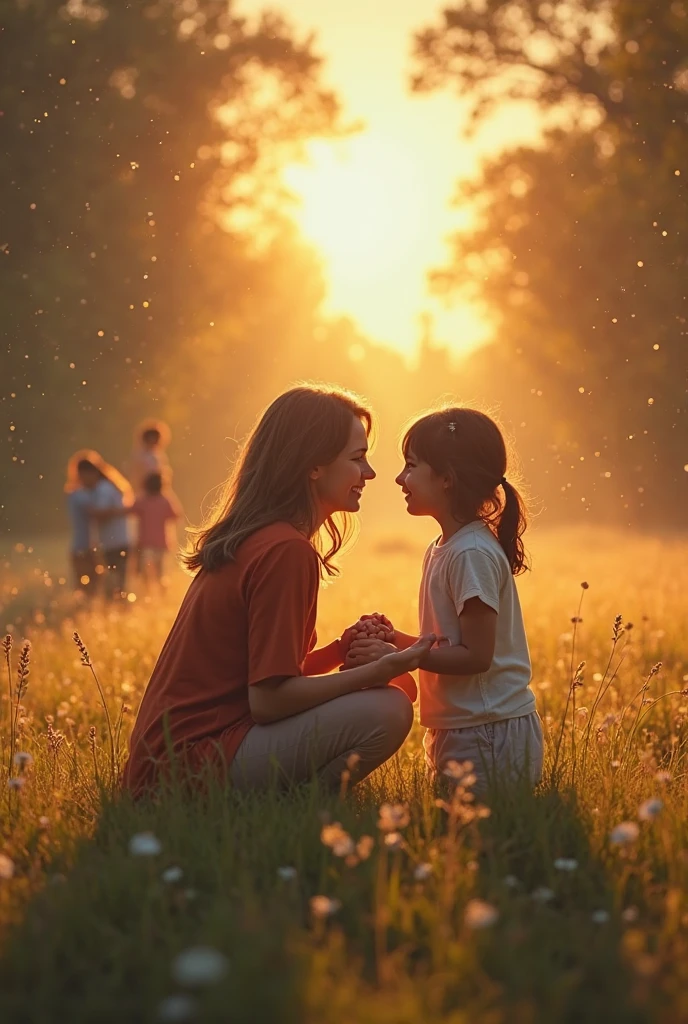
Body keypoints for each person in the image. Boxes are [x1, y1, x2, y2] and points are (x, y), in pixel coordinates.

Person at [123, 385, 437, 798]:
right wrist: (374, 672)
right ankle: (298, 807)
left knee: (388, 695)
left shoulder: (261, 539)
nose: (370, 473)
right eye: (357, 458)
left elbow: (264, 675)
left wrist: (339, 653)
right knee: (389, 708)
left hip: (165, 765)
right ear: (313, 466)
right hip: (192, 768)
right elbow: (268, 702)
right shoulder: (286, 551)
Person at [346, 407, 542, 800]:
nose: (400, 479)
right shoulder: (446, 548)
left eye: (412, 466)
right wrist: (396, 640)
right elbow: (448, 643)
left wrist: (398, 656)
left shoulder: (470, 553)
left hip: (488, 730)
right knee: (456, 838)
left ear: (448, 479)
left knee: (480, 842)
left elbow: (475, 656)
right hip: (465, 726)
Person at [64, 451, 132, 600]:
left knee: (113, 585)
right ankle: (113, 609)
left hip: (113, 543)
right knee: (113, 583)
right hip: (115, 541)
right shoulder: (99, 489)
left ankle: (115, 610)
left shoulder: (102, 489)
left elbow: (100, 514)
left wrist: (119, 511)